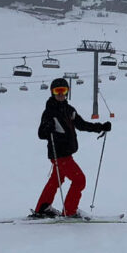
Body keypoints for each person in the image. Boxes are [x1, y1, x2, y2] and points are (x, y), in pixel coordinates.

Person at [32, 76, 110, 218]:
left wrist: (101, 127)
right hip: (60, 155)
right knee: (79, 179)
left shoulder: (69, 110)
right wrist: (47, 128)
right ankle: (70, 211)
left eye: (63, 91)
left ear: (67, 92)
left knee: (56, 179)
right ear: (52, 93)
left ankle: (42, 208)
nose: (61, 94)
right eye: (57, 91)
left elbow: (82, 125)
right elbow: (41, 133)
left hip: (66, 154)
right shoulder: (49, 111)